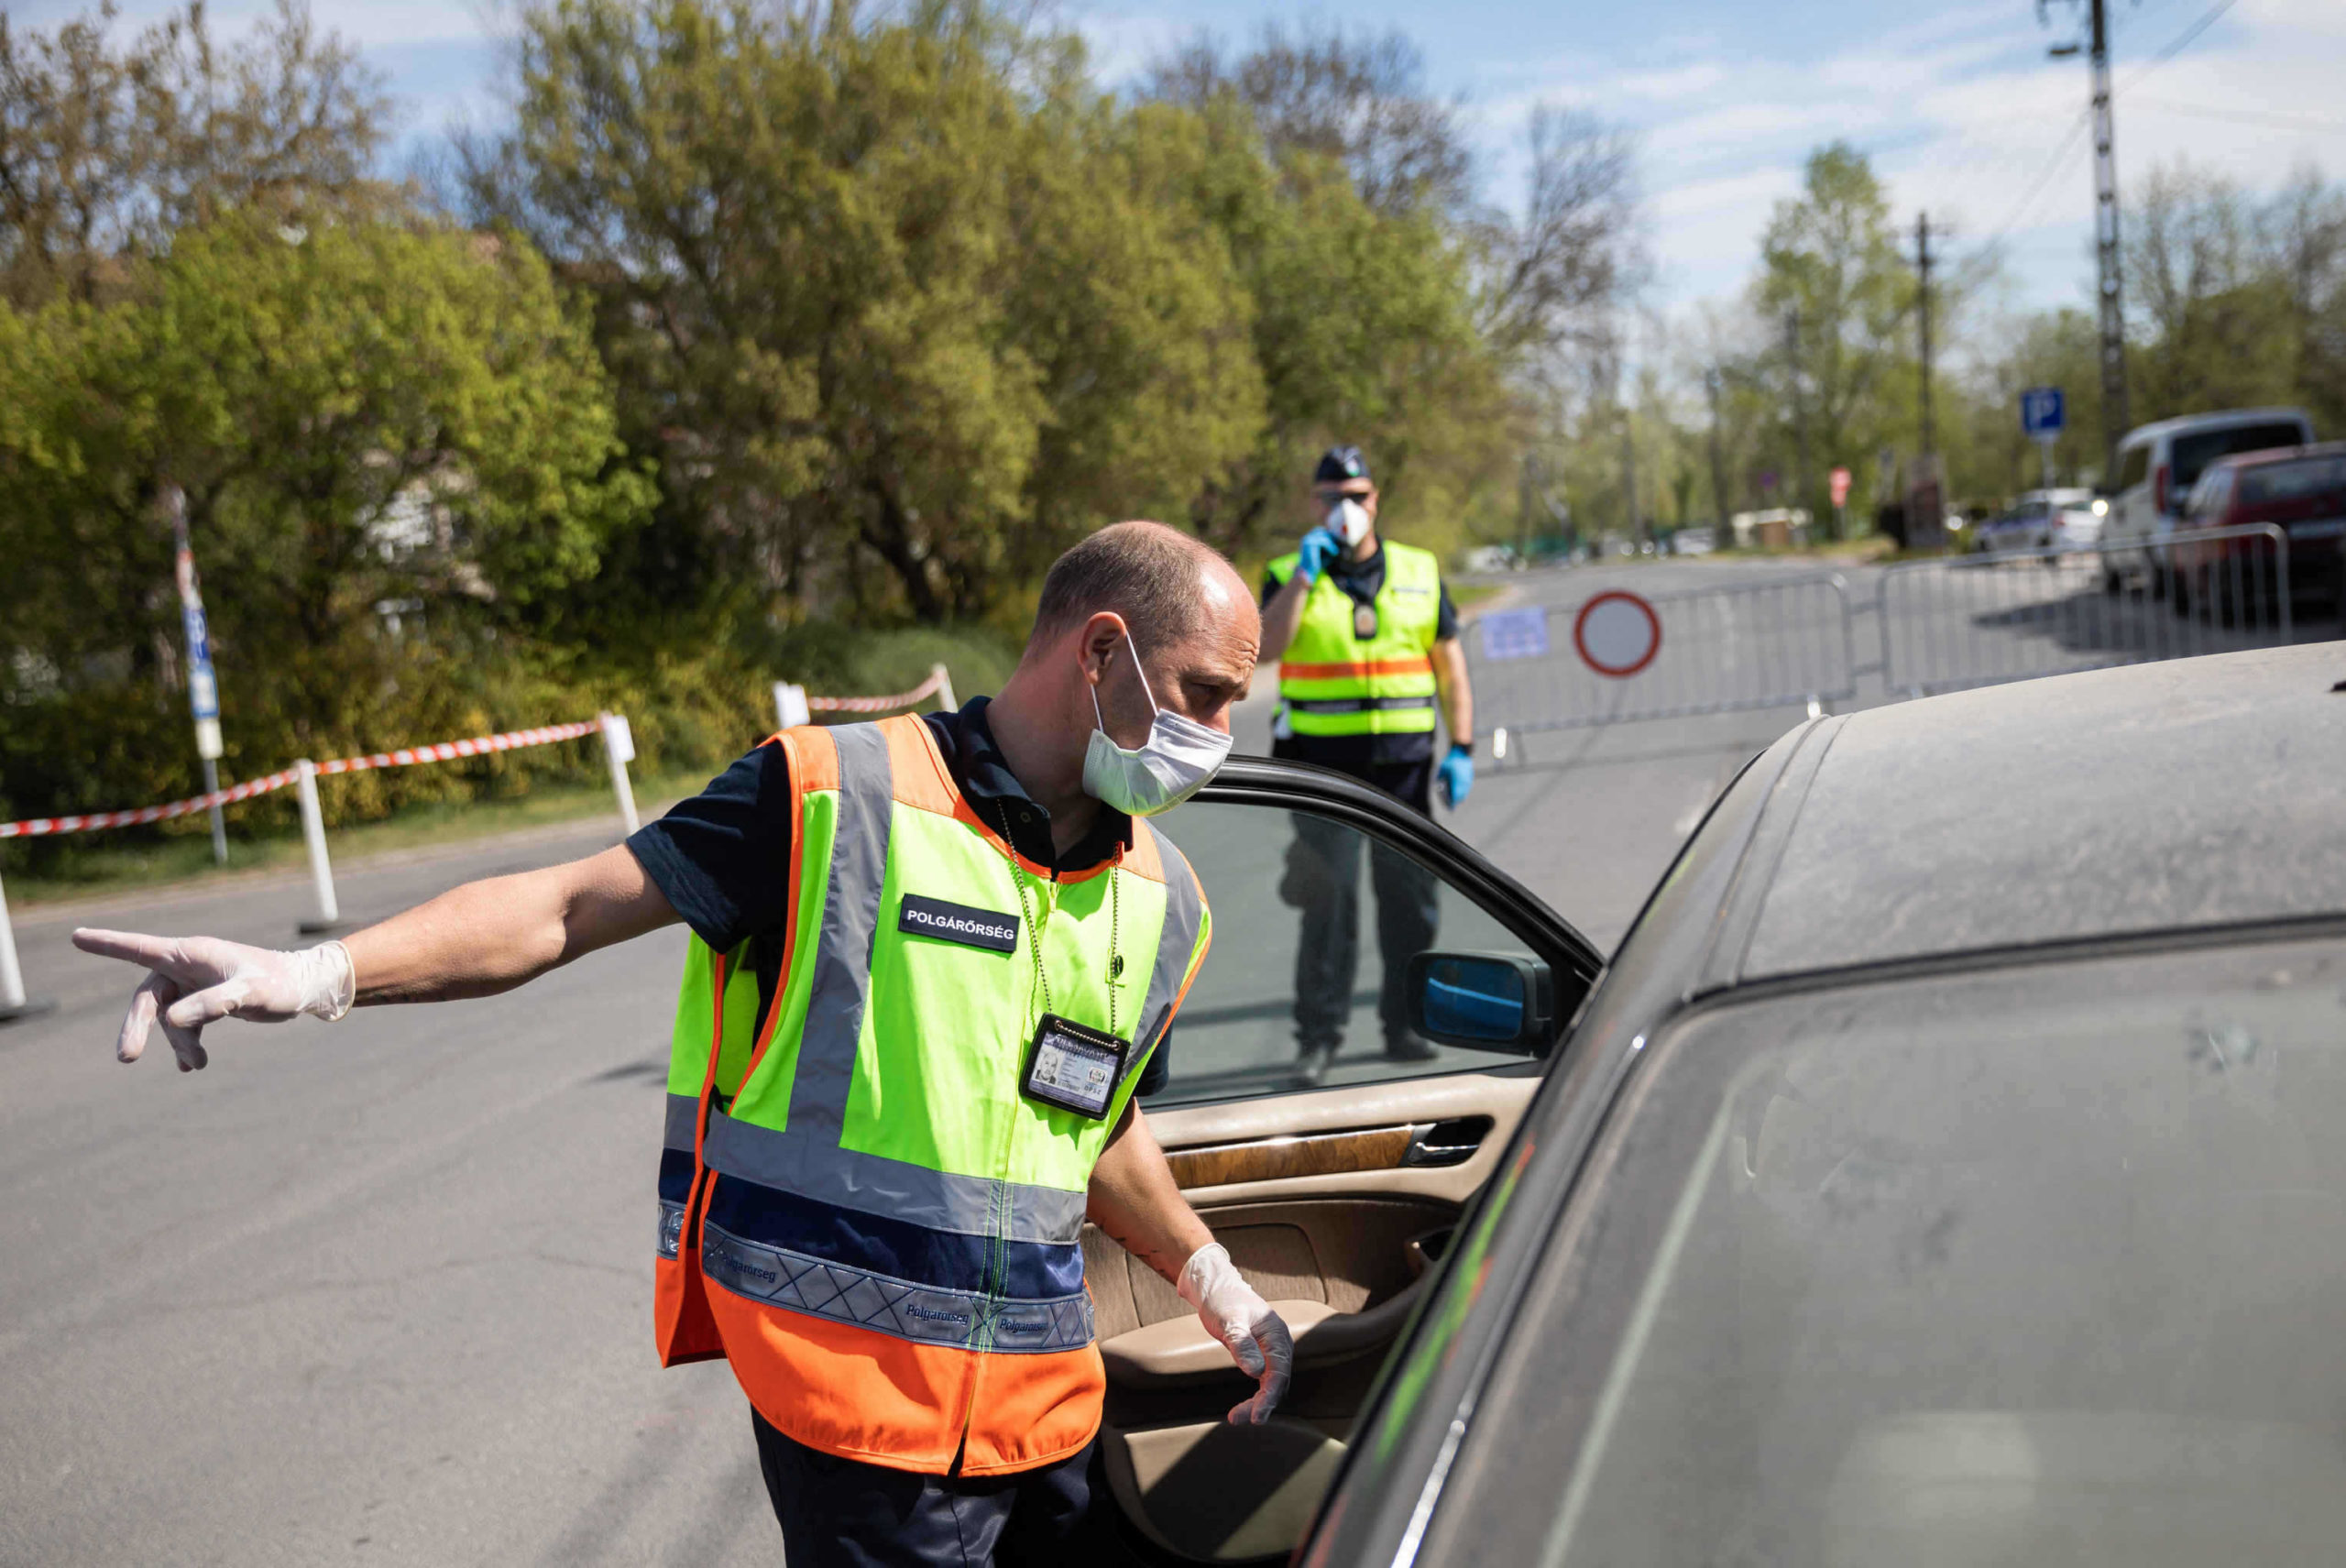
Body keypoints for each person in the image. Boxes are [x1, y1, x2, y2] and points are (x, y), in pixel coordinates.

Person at [72, 521, 1292, 1568]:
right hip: (865, 1436)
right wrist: (314, 970)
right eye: (1205, 692)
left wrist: (1218, 1283)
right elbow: (569, 903)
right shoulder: (833, 794)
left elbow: (1095, 1123)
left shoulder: (1161, 896)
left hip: (1050, 1419)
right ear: (1100, 650)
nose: (1224, 728)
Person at [1259, 446, 1474, 1082]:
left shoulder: (1418, 570)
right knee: (1330, 905)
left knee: (1410, 899)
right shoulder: (1287, 573)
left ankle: (1406, 1024)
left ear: (1377, 499)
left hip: (1404, 770)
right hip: (1320, 770)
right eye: (1332, 496)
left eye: (1357, 495)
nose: (1345, 508)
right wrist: (1303, 578)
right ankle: (1318, 1036)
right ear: (1313, 503)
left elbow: (1450, 665)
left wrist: (1461, 746)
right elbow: (1265, 650)